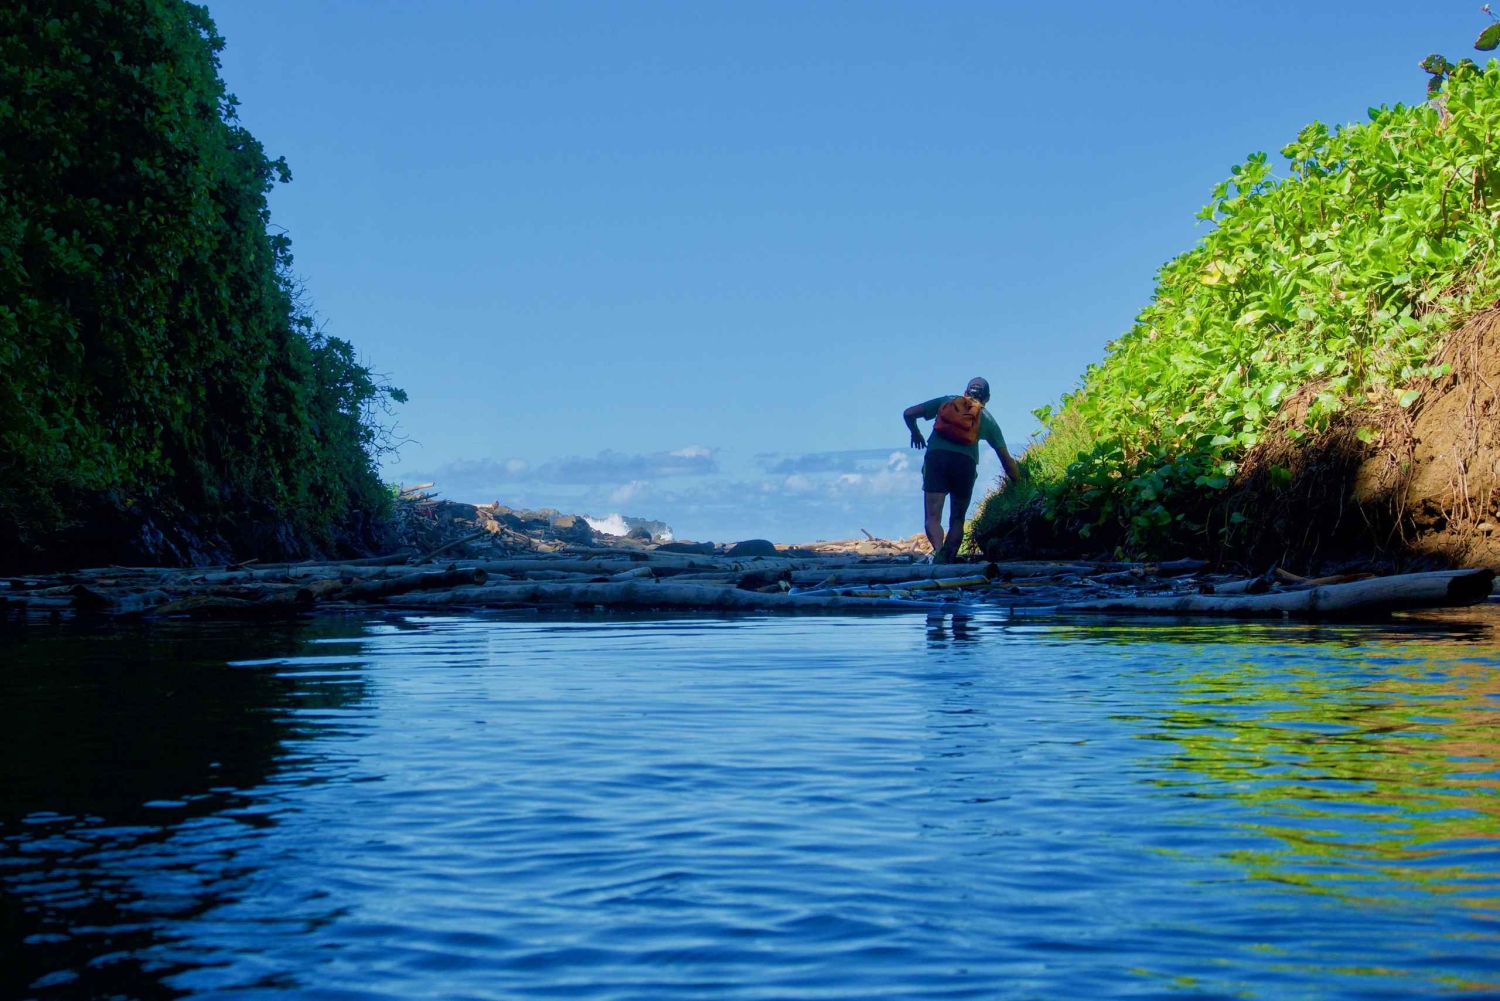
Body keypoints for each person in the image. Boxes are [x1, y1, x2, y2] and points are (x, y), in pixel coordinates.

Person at [902, 377, 1022, 563]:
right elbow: (1006, 460)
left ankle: (939, 552)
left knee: (933, 516)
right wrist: (1019, 483)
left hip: (937, 459)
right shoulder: (987, 419)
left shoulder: (946, 401)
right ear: (987, 398)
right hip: (965, 464)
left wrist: (915, 433)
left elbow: (908, 413)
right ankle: (949, 558)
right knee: (957, 518)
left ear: (965, 393)